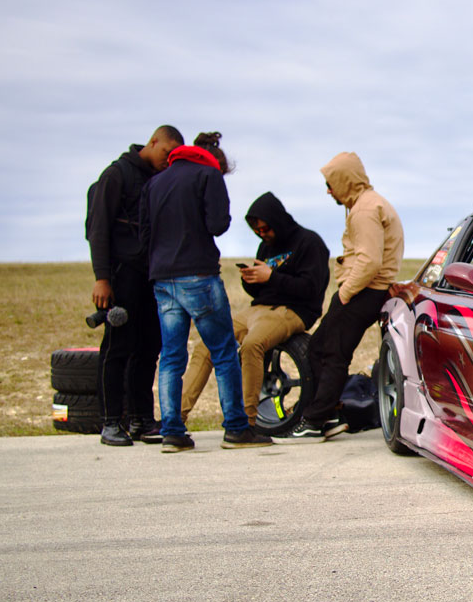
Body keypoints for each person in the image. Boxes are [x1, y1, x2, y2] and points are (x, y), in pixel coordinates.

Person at [139, 132, 271, 452]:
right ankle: (237, 429)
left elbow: (144, 234)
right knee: (224, 351)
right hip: (198, 275)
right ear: (216, 161)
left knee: (171, 356)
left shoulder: (154, 183)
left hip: (163, 280)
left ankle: (172, 431)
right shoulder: (208, 174)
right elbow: (218, 224)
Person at [180, 192, 329, 433]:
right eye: (257, 231)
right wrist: (251, 280)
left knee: (252, 345)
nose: (263, 234)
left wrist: (272, 277)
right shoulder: (265, 246)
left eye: (266, 228)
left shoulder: (310, 243)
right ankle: (176, 418)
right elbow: (257, 291)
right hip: (257, 308)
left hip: (293, 311)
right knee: (206, 345)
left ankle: (247, 422)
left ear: (278, 220)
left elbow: (310, 289)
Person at [288, 151, 403, 441]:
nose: (329, 190)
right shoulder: (368, 204)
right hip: (367, 289)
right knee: (319, 346)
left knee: (331, 354)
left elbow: (369, 261)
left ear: (345, 180)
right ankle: (329, 413)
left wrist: (345, 293)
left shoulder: (364, 211)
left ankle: (317, 421)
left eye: (331, 183)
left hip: (364, 291)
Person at [87, 125, 183, 446]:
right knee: (117, 349)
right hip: (119, 277)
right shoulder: (116, 175)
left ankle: (141, 419)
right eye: (166, 153)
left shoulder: (157, 179)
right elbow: (98, 228)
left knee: (148, 348)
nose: (168, 161)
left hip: (150, 278)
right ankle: (111, 422)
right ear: (152, 142)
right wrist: (102, 278)